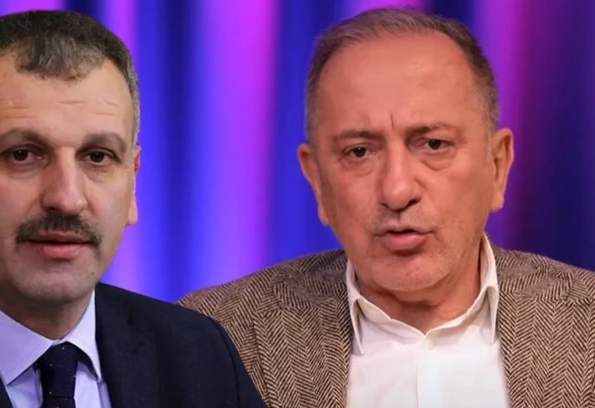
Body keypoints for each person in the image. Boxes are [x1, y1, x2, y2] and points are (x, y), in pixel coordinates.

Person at [179, 6, 595, 408]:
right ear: (317, 180)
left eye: (434, 144)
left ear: (497, 166)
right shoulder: (214, 336)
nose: (397, 191)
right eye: (359, 152)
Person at [0, 10, 264, 408]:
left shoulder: (199, 358)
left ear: (133, 182)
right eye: (22, 154)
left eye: (98, 156)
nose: (67, 198)